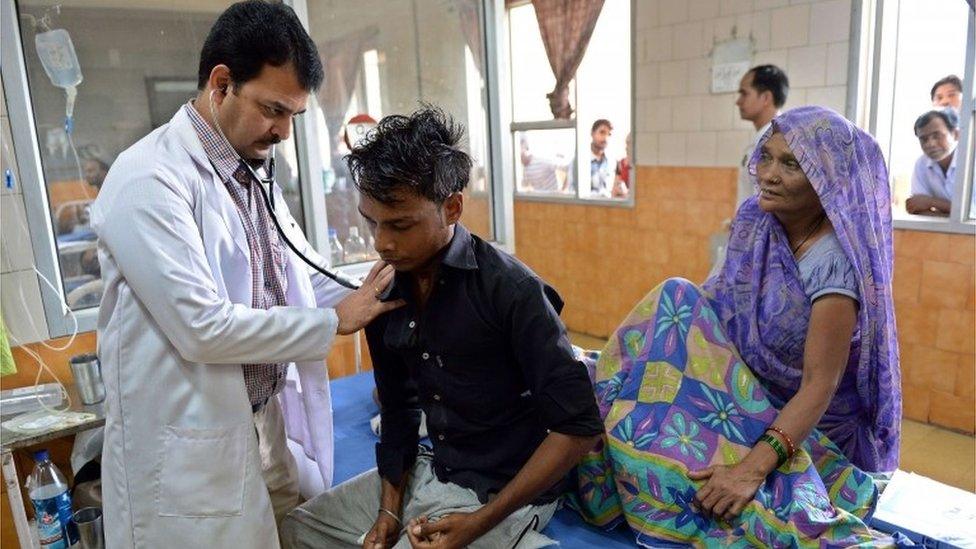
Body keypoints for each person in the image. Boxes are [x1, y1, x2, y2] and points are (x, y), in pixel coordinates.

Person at [90, 3, 403, 547]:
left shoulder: (250, 173)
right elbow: (201, 327)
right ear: (221, 83)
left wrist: (394, 284)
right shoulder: (148, 179)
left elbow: (302, 274)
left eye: (293, 117)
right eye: (272, 109)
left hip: (265, 426)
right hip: (187, 456)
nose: (282, 131)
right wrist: (335, 322)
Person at [571, 107, 900, 545]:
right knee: (670, 307)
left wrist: (750, 471)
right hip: (740, 390)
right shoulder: (758, 223)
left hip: (802, 426)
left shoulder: (833, 265)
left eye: (791, 164)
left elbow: (820, 386)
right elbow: (714, 307)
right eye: (766, 156)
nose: (769, 174)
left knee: (700, 482)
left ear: (828, 180)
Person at [281, 107, 603, 549]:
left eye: (399, 224)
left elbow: (580, 428)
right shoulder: (387, 292)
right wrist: (388, 511)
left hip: (506, 491)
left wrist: (479, 522)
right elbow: (398, 409)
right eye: (371, 221)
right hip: (436, 467)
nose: (380, 242)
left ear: (451, 207)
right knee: (296, 530)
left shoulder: (512, 291)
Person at [735, 64, 789, 206]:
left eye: (744, 94)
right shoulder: (764, 138)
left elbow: (768, 204)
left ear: (766, 97)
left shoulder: (776, 143)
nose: (738, 101)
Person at [907, 109, 960, 216]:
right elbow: (915, 207)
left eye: (937, 136)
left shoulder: (970, 162)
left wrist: (931, 202)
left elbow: (971, 214)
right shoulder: (921, 164)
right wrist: (949, 215)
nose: (930, 144)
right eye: (923, 139)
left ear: (955, 134)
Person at [590, 119, 615, 197]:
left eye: (609, 134)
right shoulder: (579, 160)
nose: (605, 138)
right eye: (602, 132)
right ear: (592, 133)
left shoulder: (612, 162)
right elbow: (572, 191)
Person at [612, 132, 631, 199]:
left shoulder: (641, 167)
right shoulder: (620, 164)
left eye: (629, 144)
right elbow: (614, 192)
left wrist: (626, 194)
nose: (626, 148)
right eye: (626, 144)